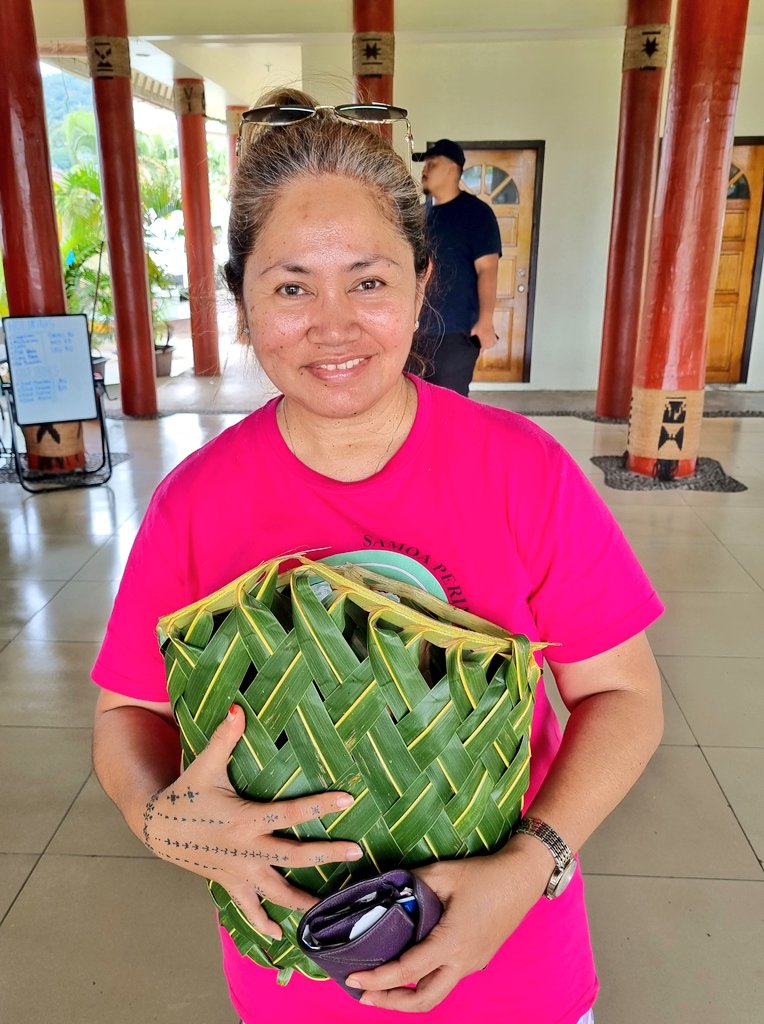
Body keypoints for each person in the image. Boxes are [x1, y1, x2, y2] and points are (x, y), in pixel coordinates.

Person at [91, 87, 664, 1024]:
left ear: (420, 282)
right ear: (241, 299)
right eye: (290, 287)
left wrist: (533, 863)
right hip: (295, 978)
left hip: (510, 961)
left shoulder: (522, 472)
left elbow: (624, 696)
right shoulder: (195, 503)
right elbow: (129, 713)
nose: (333, 325)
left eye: (368, 280)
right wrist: (160, 818)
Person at [415, 138, 502, 396]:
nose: (424, 169)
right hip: (416, 330)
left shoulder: (476, 214)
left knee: (449, 405)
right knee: (414, 400)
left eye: (432, 163)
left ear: (453, 169)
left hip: (456, 332)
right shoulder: (420, 214)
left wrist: (485, 321)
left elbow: (487, 269)